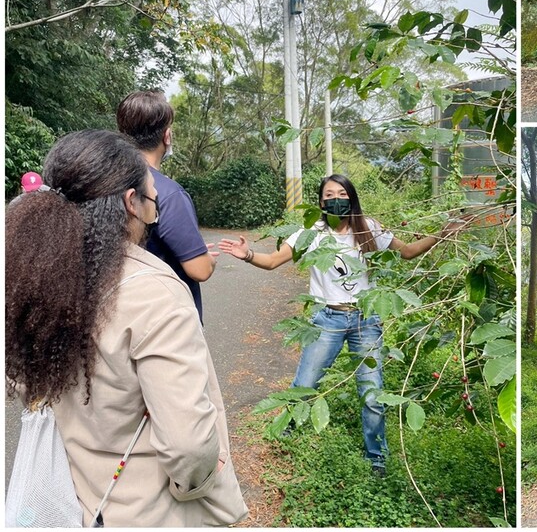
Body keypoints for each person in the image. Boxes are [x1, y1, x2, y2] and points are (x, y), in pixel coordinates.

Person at [5, 130, 247, 526]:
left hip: (76, 497)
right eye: (152, 201)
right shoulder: (154, 293)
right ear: (130, 203)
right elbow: (187, 445)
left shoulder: (35, 278)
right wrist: (202, 481)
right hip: (145, 510)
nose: (155, 212)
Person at [218, 174, 467, 476]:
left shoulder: (369, 228)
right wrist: (247, 254)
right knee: (306, 383)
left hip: (366, 320)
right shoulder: (312, 233)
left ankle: (377, 457)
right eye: (328, 195)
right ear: (321, 202)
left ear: (351, 196)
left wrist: (443, 233)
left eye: (341, 193)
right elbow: (272, 261)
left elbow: (408, 251)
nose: (335, 199)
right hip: (328, 319)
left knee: (372, 393)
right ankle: (288, 429)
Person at [117, 90, 217, 324]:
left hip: (119, 317)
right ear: (167, 136)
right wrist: (206, 258)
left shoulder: (105, 182)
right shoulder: (168, 193)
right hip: (166, 321)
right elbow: (199, 269)